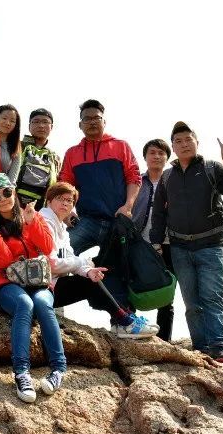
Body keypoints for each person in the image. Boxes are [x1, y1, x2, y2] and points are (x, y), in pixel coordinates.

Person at [56, 99, 157, 338]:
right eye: (87, 119)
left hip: (116, 221)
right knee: (59, 253)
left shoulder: (120, 146)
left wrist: (128, 206)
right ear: (80, 124)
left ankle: (122, 322)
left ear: (104, 120)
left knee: (119, 269)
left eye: (96, 118)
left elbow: (134, 177)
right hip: (87, 220)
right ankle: (52, 307)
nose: (92, 122)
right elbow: (65, 184)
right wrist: (68, 211)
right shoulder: (73, 153)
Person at [150, 122, 223, 364]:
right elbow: (159, 213)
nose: (184, 144)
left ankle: (219, 347)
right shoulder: (167, 176)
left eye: (188, 140)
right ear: (173, 147)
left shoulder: (211, 168)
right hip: (180, 248)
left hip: (210, 246)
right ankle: (201, 348)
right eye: (178, 141)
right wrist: (156, 242)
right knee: (192, 303)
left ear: (197, 143)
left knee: (211, 298)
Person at [0, 173, 61, 404]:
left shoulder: (31, 214)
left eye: (6, 192)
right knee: (24, 304)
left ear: (13, 191)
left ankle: (58, 369)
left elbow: (47, 247)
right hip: (6, 283)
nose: (3, 198)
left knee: (43, 304)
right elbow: (4, 262)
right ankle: (22, 373)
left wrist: (32, 221)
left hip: (38, 281)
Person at [42, 182, 158, 339]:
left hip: (50, 285)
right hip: (38, 290)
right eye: (60, 198)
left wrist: (88, 270)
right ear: (49, 201)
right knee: (89, 283)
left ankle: (125, 319)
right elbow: (51, 264)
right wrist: (83, 263)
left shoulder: (61, 227)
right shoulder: (44, 222)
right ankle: (125, 322)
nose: (65, 203)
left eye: (69, 200)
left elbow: (70, 259)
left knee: (93, 277)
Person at [131, 139, 176, 342]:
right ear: (145, 157)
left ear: (167, 157)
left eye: (161, 153)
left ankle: (164, 340)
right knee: (132, 285)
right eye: (152, 152)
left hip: (168, 243)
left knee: (167, 291)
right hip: (140, 242)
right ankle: (130, 330)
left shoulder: (174, 181)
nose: (156, 156)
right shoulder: (136, 182)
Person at [16, 108, 62, 208]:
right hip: (12, 206)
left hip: (43, 210)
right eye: (36, 122)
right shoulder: (16, 147)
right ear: (29, 126)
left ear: (51, 127)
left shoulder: (55, 158)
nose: (41, 125)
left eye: (45, 122)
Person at [0, 104, 23, 184]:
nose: (8, 123)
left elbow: (12, 179)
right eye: (4, 118)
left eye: (12, 121)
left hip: (0, 189)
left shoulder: (16, 148)